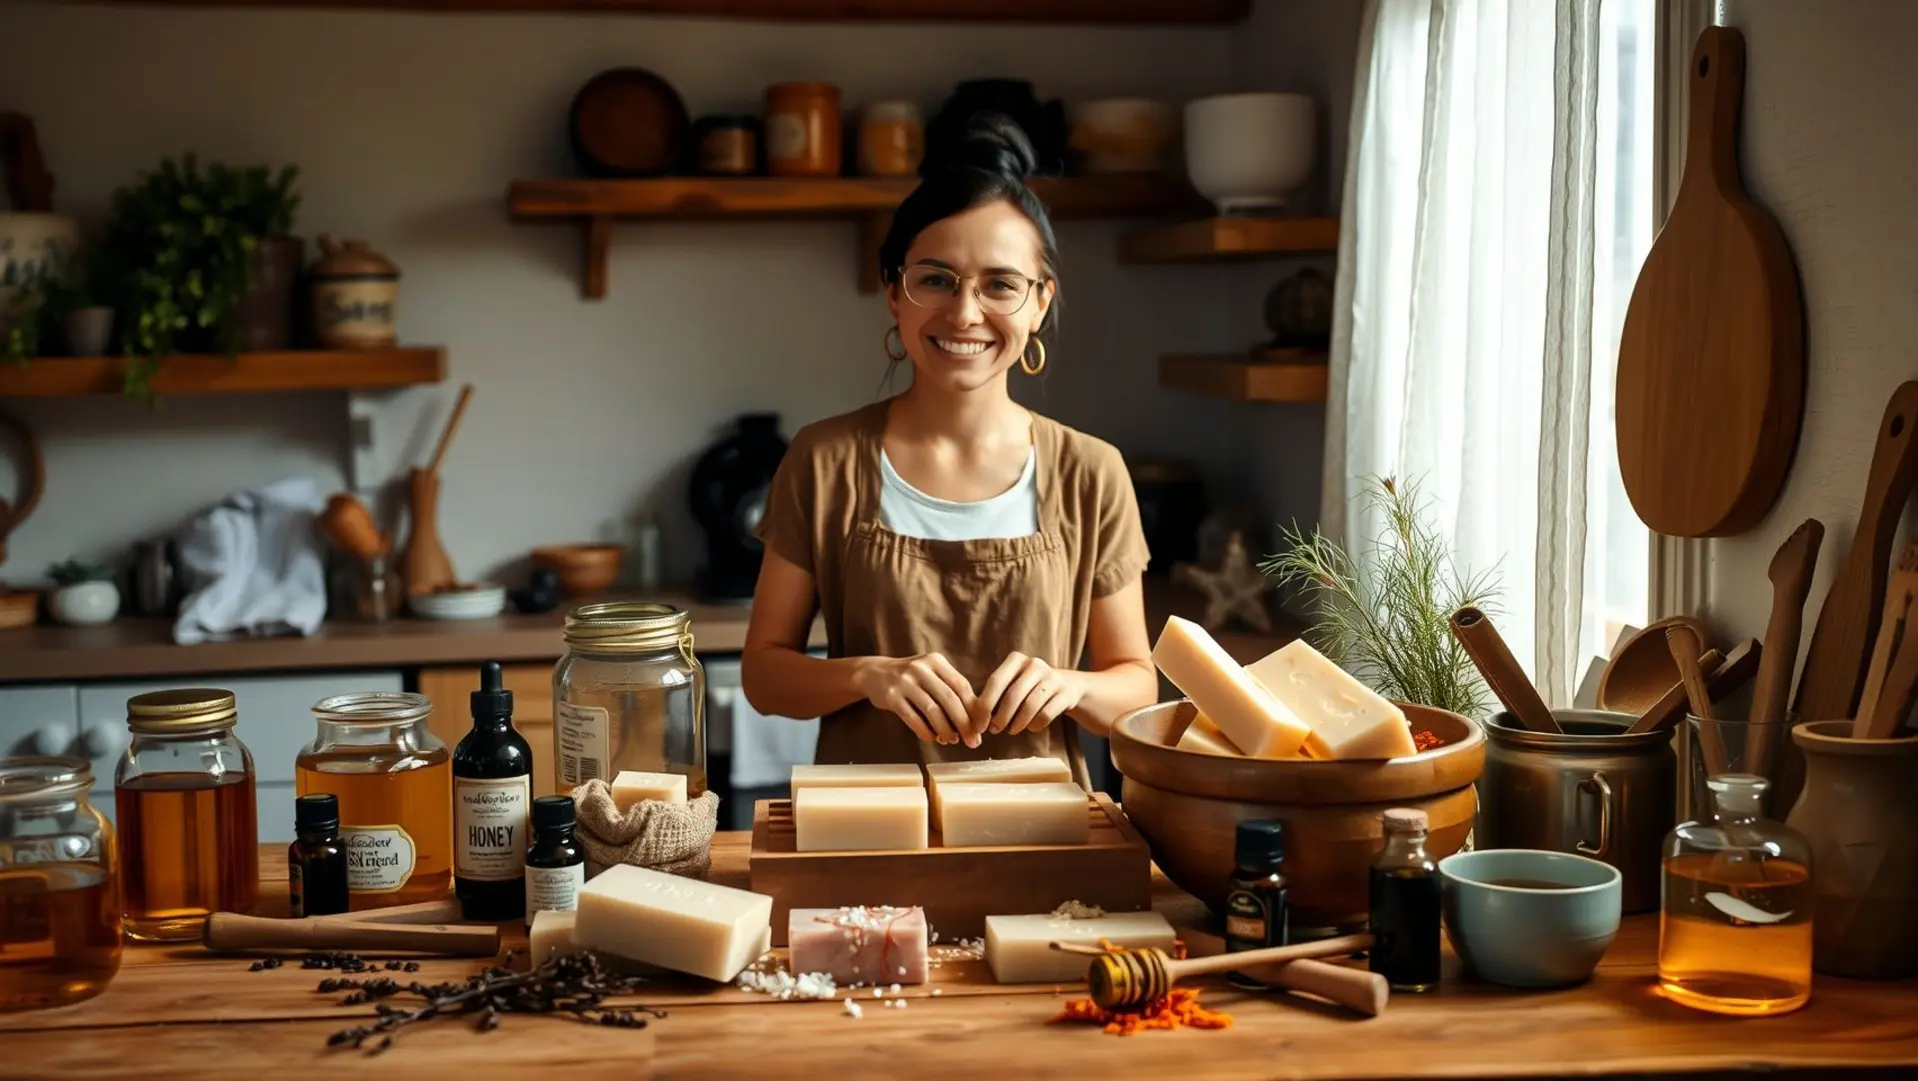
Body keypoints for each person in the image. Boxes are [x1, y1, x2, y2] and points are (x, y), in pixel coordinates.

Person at [740, 115, 1158, 781]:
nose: (965, 313)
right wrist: (866, 674)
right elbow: (764, 676)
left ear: (1039, 303)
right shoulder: (823, 460)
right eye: (935, 280)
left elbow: (1136, 685)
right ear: (894, 293)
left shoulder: (1092, 471)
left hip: (1041, 828)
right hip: (866, 826)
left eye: (1000, 284)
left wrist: (1071, 686)